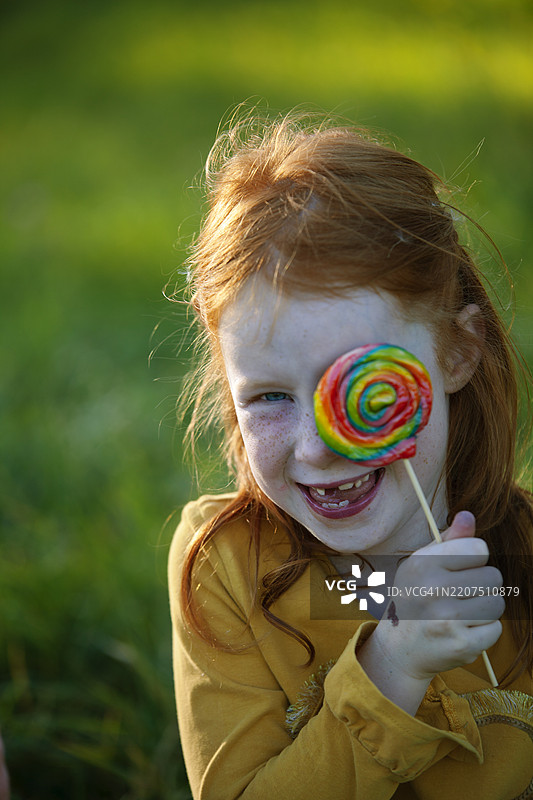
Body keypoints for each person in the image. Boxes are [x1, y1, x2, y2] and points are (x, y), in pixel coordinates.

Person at [167, 112, 533, 799]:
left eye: (360, 384)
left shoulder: (523, 556)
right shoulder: (227, 568)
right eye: (270, 397)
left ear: (457, 351)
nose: (316, 446)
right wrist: (392, 667)